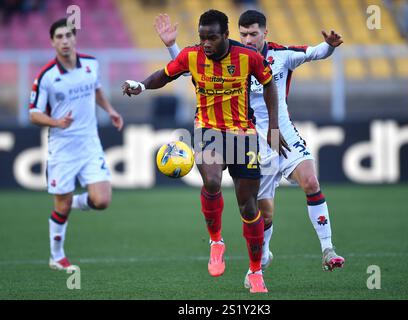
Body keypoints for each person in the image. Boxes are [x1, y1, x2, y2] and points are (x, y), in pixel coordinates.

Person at [153, 10, 345, 281]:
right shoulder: (232, 58)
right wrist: (172, 46)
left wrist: (329, 45)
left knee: (311, 182)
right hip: (252, 140)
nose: (248, 38)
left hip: (283, 134)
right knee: (263, 214)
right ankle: (260, 261)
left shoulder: (280, 55)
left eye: (254, 33)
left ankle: (328, 249)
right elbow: (191, 68)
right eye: (243, 34)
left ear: (265, 33)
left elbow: (314, 53)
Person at [122, 9, 289, 293]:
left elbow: (270, 84)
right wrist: (141, 85)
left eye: (212, 37)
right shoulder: (192, 55)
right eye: (202, 38)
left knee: (248, 206)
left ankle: (256, 271)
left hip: (242, 134)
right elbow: (165, 74)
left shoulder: (248, 57)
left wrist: (273, 128)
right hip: (208, 131)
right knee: (211, 181)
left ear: (225, 35)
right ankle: (216, 241)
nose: (206, 44)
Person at [29, 18, 123, 271]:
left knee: (102, 201)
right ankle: (57, 256)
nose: (64, 40)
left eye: (68, 35)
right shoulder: (46, 77)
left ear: (74, 38)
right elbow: (33, 113)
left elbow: (96, 90)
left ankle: (76, 201)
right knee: (61, 205)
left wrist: (111, 111)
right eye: (58, 37)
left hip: (90, 143)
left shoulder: (91, 64)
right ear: (52, 42)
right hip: (63, 149)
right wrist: (56, 122)